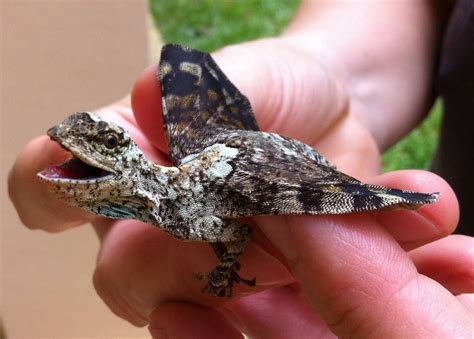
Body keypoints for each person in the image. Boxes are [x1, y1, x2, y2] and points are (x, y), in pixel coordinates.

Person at [8, 1, 474, 337]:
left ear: (132, 166)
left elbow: (237, 235)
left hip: (253, 170)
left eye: (110, 143)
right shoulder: (167, 208)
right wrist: (323, 69)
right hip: (231, 153)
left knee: (334, 212)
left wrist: (228, 266)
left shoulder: (188, 214)